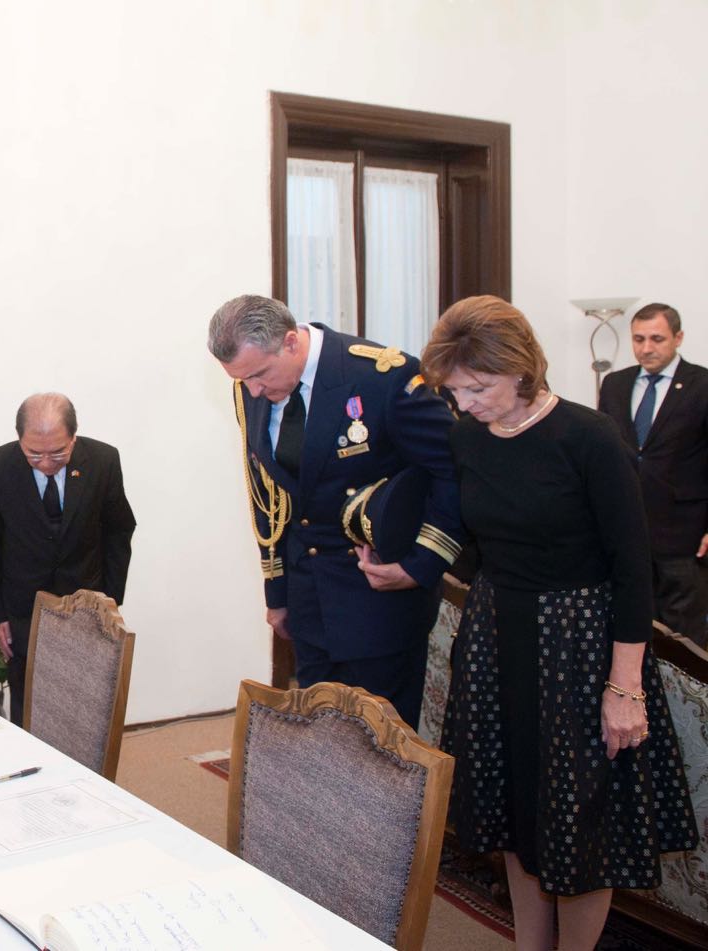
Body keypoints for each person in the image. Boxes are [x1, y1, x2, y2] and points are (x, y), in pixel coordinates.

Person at [420, 295, 697, 950]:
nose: (466, 404)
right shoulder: (467, 437)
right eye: (456, 391)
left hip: (580, 646)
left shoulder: (588, 437)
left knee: (580, 822)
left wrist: (623, 687)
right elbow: (465, 536)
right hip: (495, 638)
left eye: (478, 387)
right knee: (514, 809)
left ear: (520, 370)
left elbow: (634, 571)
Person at [207, 294, 464, 728]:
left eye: (259, 375)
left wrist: (420, 565)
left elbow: (453, 472)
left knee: (383, 746)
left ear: (291, 343)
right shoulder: (250, 388)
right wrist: (278, 594)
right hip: (310, 600)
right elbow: (267, 495)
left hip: (378, 595)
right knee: (321, 742)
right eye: (241, 380)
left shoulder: (382, 376)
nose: (253, 390)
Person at [0, 393, 136, 727]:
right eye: (34, 454)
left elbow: (119, 530)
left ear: (74, 437)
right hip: (22, 608)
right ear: (20, 439)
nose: (46, 463)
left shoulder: (103, 460)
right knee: (27, 703)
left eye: (58, 453)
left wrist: (110, 600)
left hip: (86, 605)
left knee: (83, 704)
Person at [598, 302, 708, 649]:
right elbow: (605, 454)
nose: (646, 348)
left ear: (678, 338)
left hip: (684, 536)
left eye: (657, 339)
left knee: (685, 637)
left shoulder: (702, 385)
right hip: (627, 531)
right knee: (633, 626)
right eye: (639, 338)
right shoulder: (615, 384)